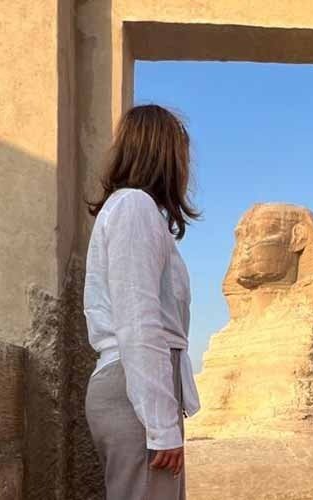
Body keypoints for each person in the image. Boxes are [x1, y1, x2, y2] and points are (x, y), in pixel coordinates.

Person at [84, 104, 202, 499]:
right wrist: (161, 425)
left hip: (136, 386)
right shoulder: (135, 207)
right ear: (165, 155)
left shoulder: (132, 209)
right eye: (182, 156)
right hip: (137, 389)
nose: (186, 169)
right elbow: (139, 321)